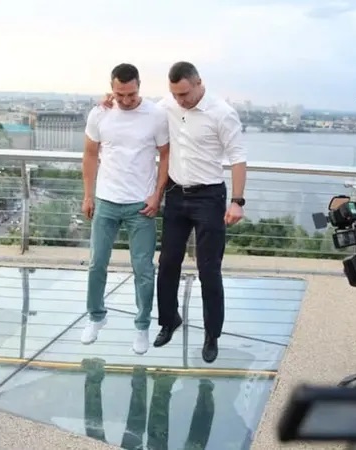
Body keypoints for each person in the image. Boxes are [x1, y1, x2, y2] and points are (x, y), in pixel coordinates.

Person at [100, 62, 246, 363]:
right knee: (167, 264)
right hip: (176, 195)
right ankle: (169, 320)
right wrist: (110, 100)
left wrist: (237, 201)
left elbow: (238, 158)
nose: (180, 100)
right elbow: (135, 107)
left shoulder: (222, 113)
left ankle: (212, 334)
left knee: (209, 269)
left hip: (209, 197)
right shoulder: (166, 106)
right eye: (175, 94)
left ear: (198, 83)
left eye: (184, 94)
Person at [80, 63, 170, 355]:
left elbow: (166, 155)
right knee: (97, 263)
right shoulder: (100, 113)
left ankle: (142, 325)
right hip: (106, 200)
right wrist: (88, 195)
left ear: (139, 86)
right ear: (112, 89)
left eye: (131, 94)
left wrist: (157, 195)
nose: (126, 100)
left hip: (140, 204)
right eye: (120, 95)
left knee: (144, 269)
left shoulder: (156, 115)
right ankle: (96, 316)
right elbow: (90, 154)